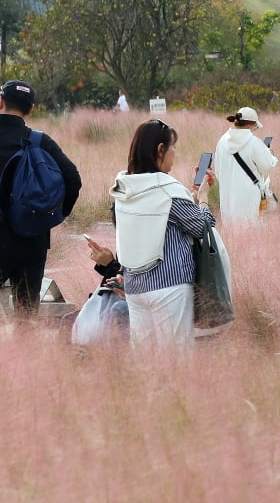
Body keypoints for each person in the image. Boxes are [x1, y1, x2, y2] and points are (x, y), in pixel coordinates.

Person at [0, 80, 82, 318]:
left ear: (1, 102)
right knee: (27, 318)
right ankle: (26, 356)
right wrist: (53, 216)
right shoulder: (40, 141)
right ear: (30, 109)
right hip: (33, 238)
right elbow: (73, 179)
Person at [110, 119, 215, 349]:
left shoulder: (122, 187)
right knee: (177, 360)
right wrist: (204, 198)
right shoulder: (169, 189)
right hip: (170, 287)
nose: (174, 153)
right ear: (160, 150)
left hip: (135, 288)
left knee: (146, 363)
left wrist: (190, 197)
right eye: (173, 147)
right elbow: (203, 228)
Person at [212, 106, 276, 224]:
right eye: (255, 127)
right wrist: (270, 155)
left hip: (227, 199)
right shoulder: (253, 142)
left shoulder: (222, 141)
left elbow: (218, 173)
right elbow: (267, 166)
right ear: (249, 125)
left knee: (232, 235)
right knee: (251, 231)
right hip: (249, 198)